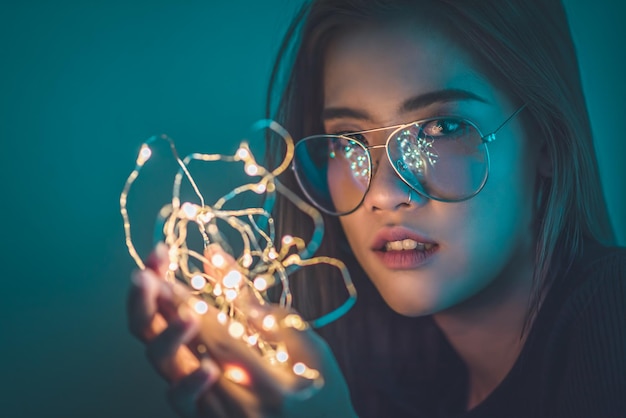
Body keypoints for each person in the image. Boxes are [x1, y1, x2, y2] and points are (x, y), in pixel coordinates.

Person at [127, 0, 626, 416]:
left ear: (545, 140)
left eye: (440, 128)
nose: (386, 192)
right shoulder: (395, 388)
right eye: (347, 138)